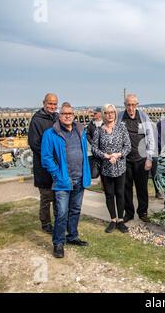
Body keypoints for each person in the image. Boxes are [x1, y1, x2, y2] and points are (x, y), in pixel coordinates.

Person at [41, 102, 91, 259]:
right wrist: (57, 174)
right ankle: (58, 243)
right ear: (59, 115)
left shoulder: (80, 130)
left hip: (80, 178)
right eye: (64, 113)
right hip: (63, 181)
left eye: (70, 113)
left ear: (74, 115)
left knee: (75, 210)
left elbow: (84, 152)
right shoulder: (51, 133)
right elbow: (46, 158)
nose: (67, 116)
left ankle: (72, 236)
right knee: (62, 213)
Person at [92, 104, 131, 233]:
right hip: (106, 168)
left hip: (120, 166)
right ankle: (113, 220)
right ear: (103, 114)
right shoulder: (99, 130)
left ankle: (120, 220)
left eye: (112, 112)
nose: (110, 115)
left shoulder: (121, 128)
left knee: (120, 193)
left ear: (115, 113)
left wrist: (117, 155)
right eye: (107, 112)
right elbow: (94, 148)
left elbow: (128, 146)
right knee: (109, 194)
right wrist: (105, 156)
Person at [118, 94, 155, 223]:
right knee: (126, 188)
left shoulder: (143, 117)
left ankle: (143, 212)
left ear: (137, 105)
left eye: (133, 104)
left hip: (141, 159)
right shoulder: (120, 117)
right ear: (125, 105)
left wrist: (149, 158)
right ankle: (129, 212)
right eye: (128, 104)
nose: (131, 107)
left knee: (142, 188)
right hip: (125, 159)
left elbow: (150, 138)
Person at [28, 93, 58, 234]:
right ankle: (45, 223)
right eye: (50, 103)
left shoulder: (57, 118)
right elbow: (34, 143)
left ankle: (59, 219)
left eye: (54, 104)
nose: (52, 106)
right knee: (46, 197)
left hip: (58, 166)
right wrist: (49, 156)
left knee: (58, 195)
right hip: (43, 166)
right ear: (44, 103)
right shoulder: (36, 120)